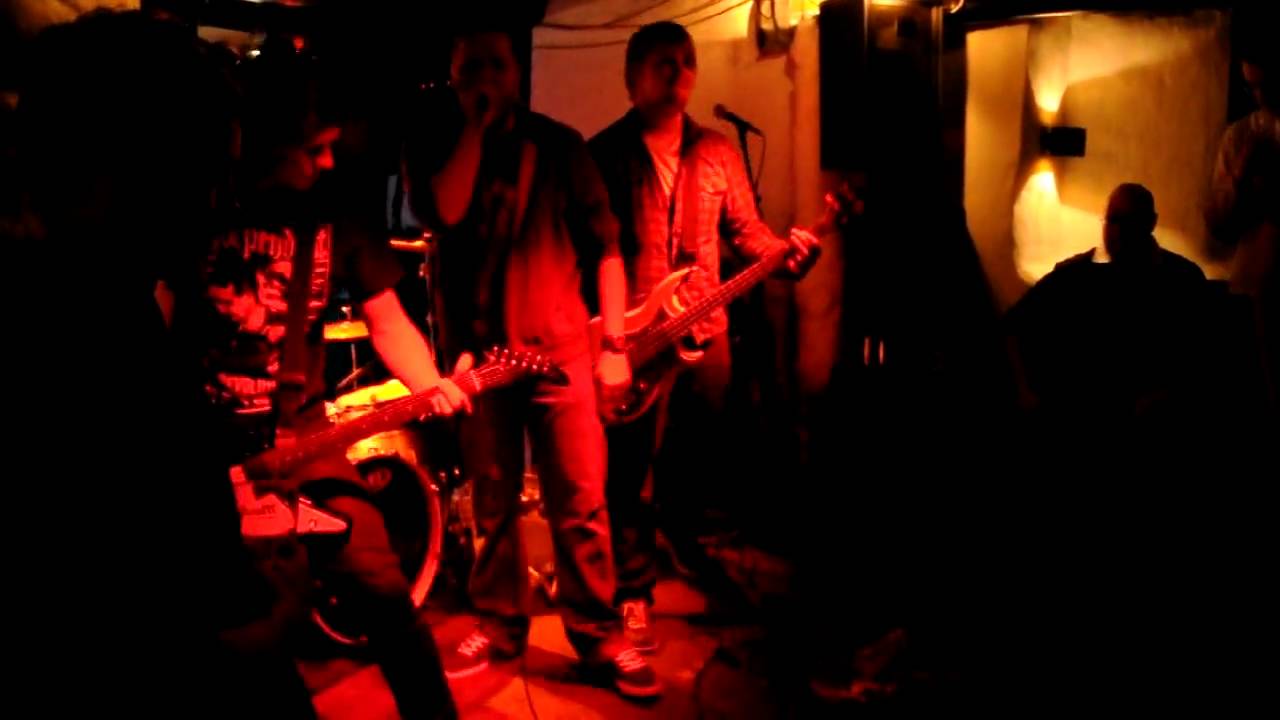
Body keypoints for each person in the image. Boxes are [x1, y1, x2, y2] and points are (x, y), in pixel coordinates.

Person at [170, 52, 460, 719]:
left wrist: (433, 385)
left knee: (385, 594)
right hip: (205, 453)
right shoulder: (199, 203)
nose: (328, 163)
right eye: (313, 149)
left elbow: (388, 322)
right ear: (268, 142)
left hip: (304, 439)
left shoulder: (338, 213)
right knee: (229, 628)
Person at [404, 26, 660, 699]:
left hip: (563, 352)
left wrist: (614, 347)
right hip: (482, 359)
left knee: (581, 499)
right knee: (492, 502)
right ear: (453, 78)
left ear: (518, 72)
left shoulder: (561, 147)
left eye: (496, 65)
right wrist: (474, 129)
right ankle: (499, 623)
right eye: (469, 69)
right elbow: (445, 211)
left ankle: (598, 634)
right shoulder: (439, 145)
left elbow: (607, 248)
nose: (484, 79)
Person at [586, 20, 819, 652]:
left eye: (686, 61)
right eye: (663, 61)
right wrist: (606, 340)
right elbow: (588, 253)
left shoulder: (717, 151)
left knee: (694, 459)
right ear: (631, 78)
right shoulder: (602, 155)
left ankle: (682, 550)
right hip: (636, 340)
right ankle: (633, 589)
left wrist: (787, 254)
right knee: (629, 470)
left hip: (705, 334)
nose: (678, 71)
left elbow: (747, 232)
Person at [1009, 183, 1208, 419]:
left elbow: (1202, 354)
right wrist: (1025, 393)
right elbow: (1015, 323)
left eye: (1130, 221)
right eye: (1113, 220)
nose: (1119, 231)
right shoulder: (1075, 275)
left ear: (1151, 223)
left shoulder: (1182, 279)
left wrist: (1166, 395)